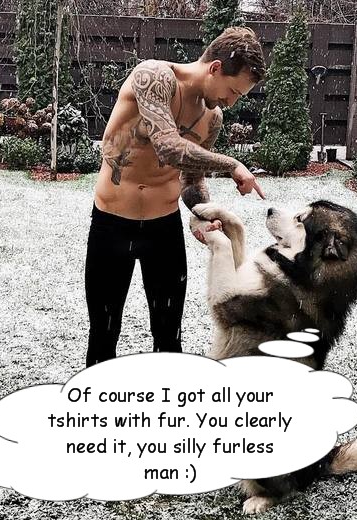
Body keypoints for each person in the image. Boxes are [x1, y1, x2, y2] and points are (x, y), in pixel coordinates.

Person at [85, 27, 266, 367]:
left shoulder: (212, 119)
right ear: (215, 68)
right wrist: (232, 165)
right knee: (103, 335)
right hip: (111, 224)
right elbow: (167, 145)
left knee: (169, 337)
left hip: (163, 230)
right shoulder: (154, 77)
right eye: (232, 91)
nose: (231, 102)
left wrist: (202, 212)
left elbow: (191, 179)